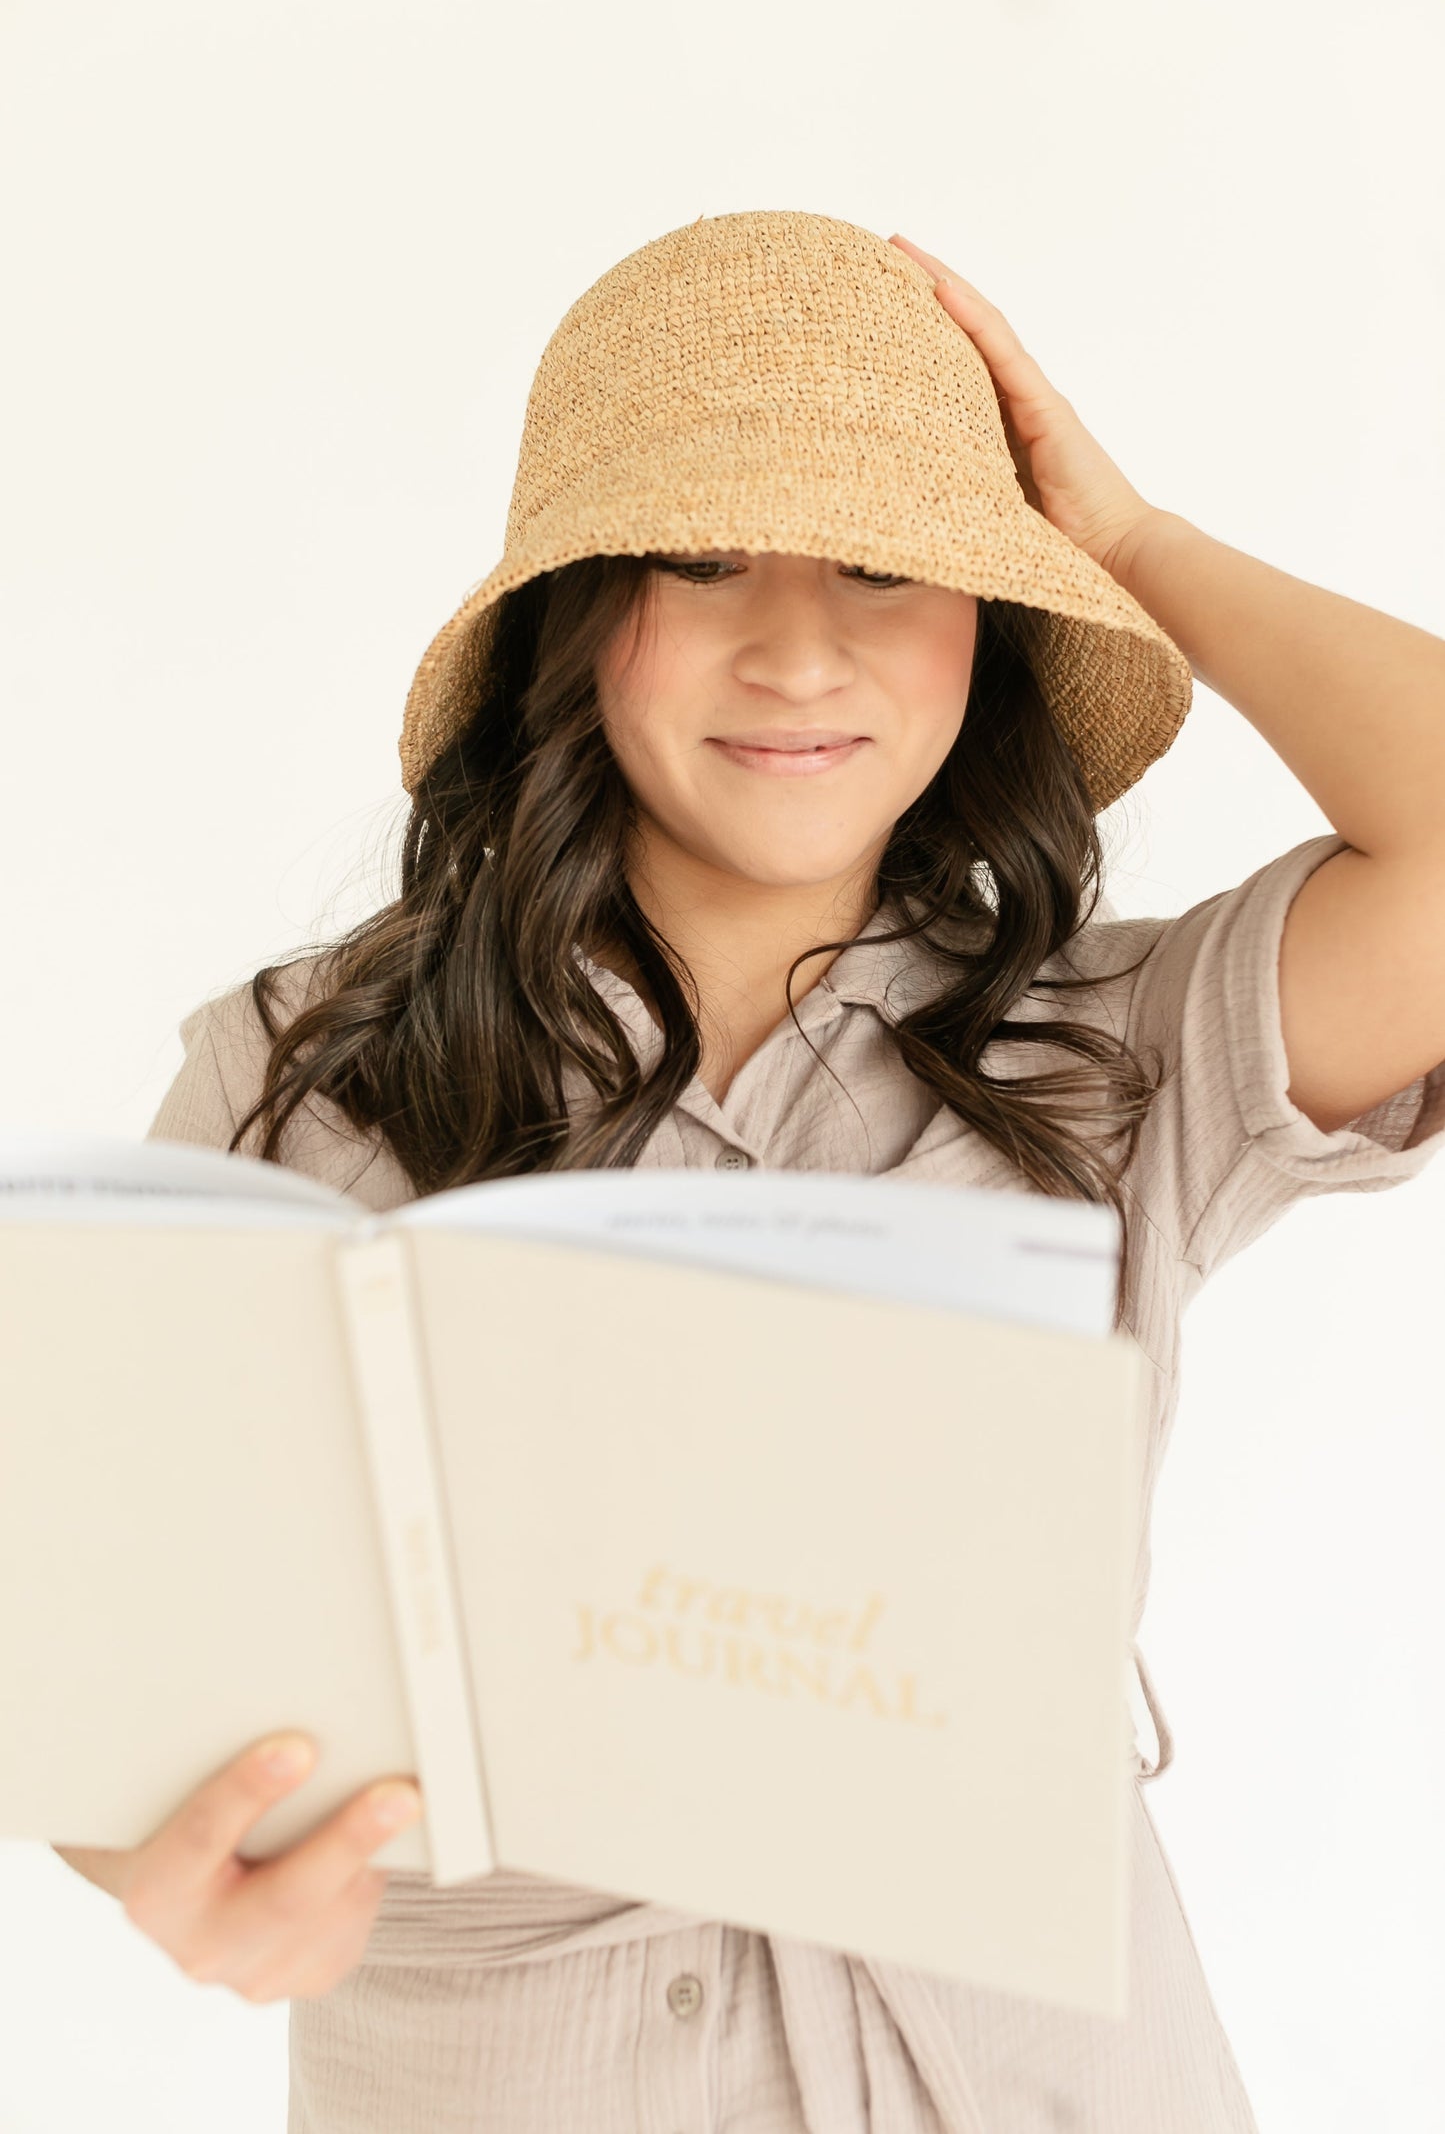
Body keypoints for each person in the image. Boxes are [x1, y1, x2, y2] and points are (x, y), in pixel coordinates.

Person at [56, 211, 1445, 2133]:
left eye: (887, 564)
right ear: (572, 615)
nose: (798, 649)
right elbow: (114, 1640)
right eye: (700, 563)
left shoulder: (1112, 1053)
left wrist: (1127, 547)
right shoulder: (307, 1074)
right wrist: (168, 1872)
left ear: (990, 618)